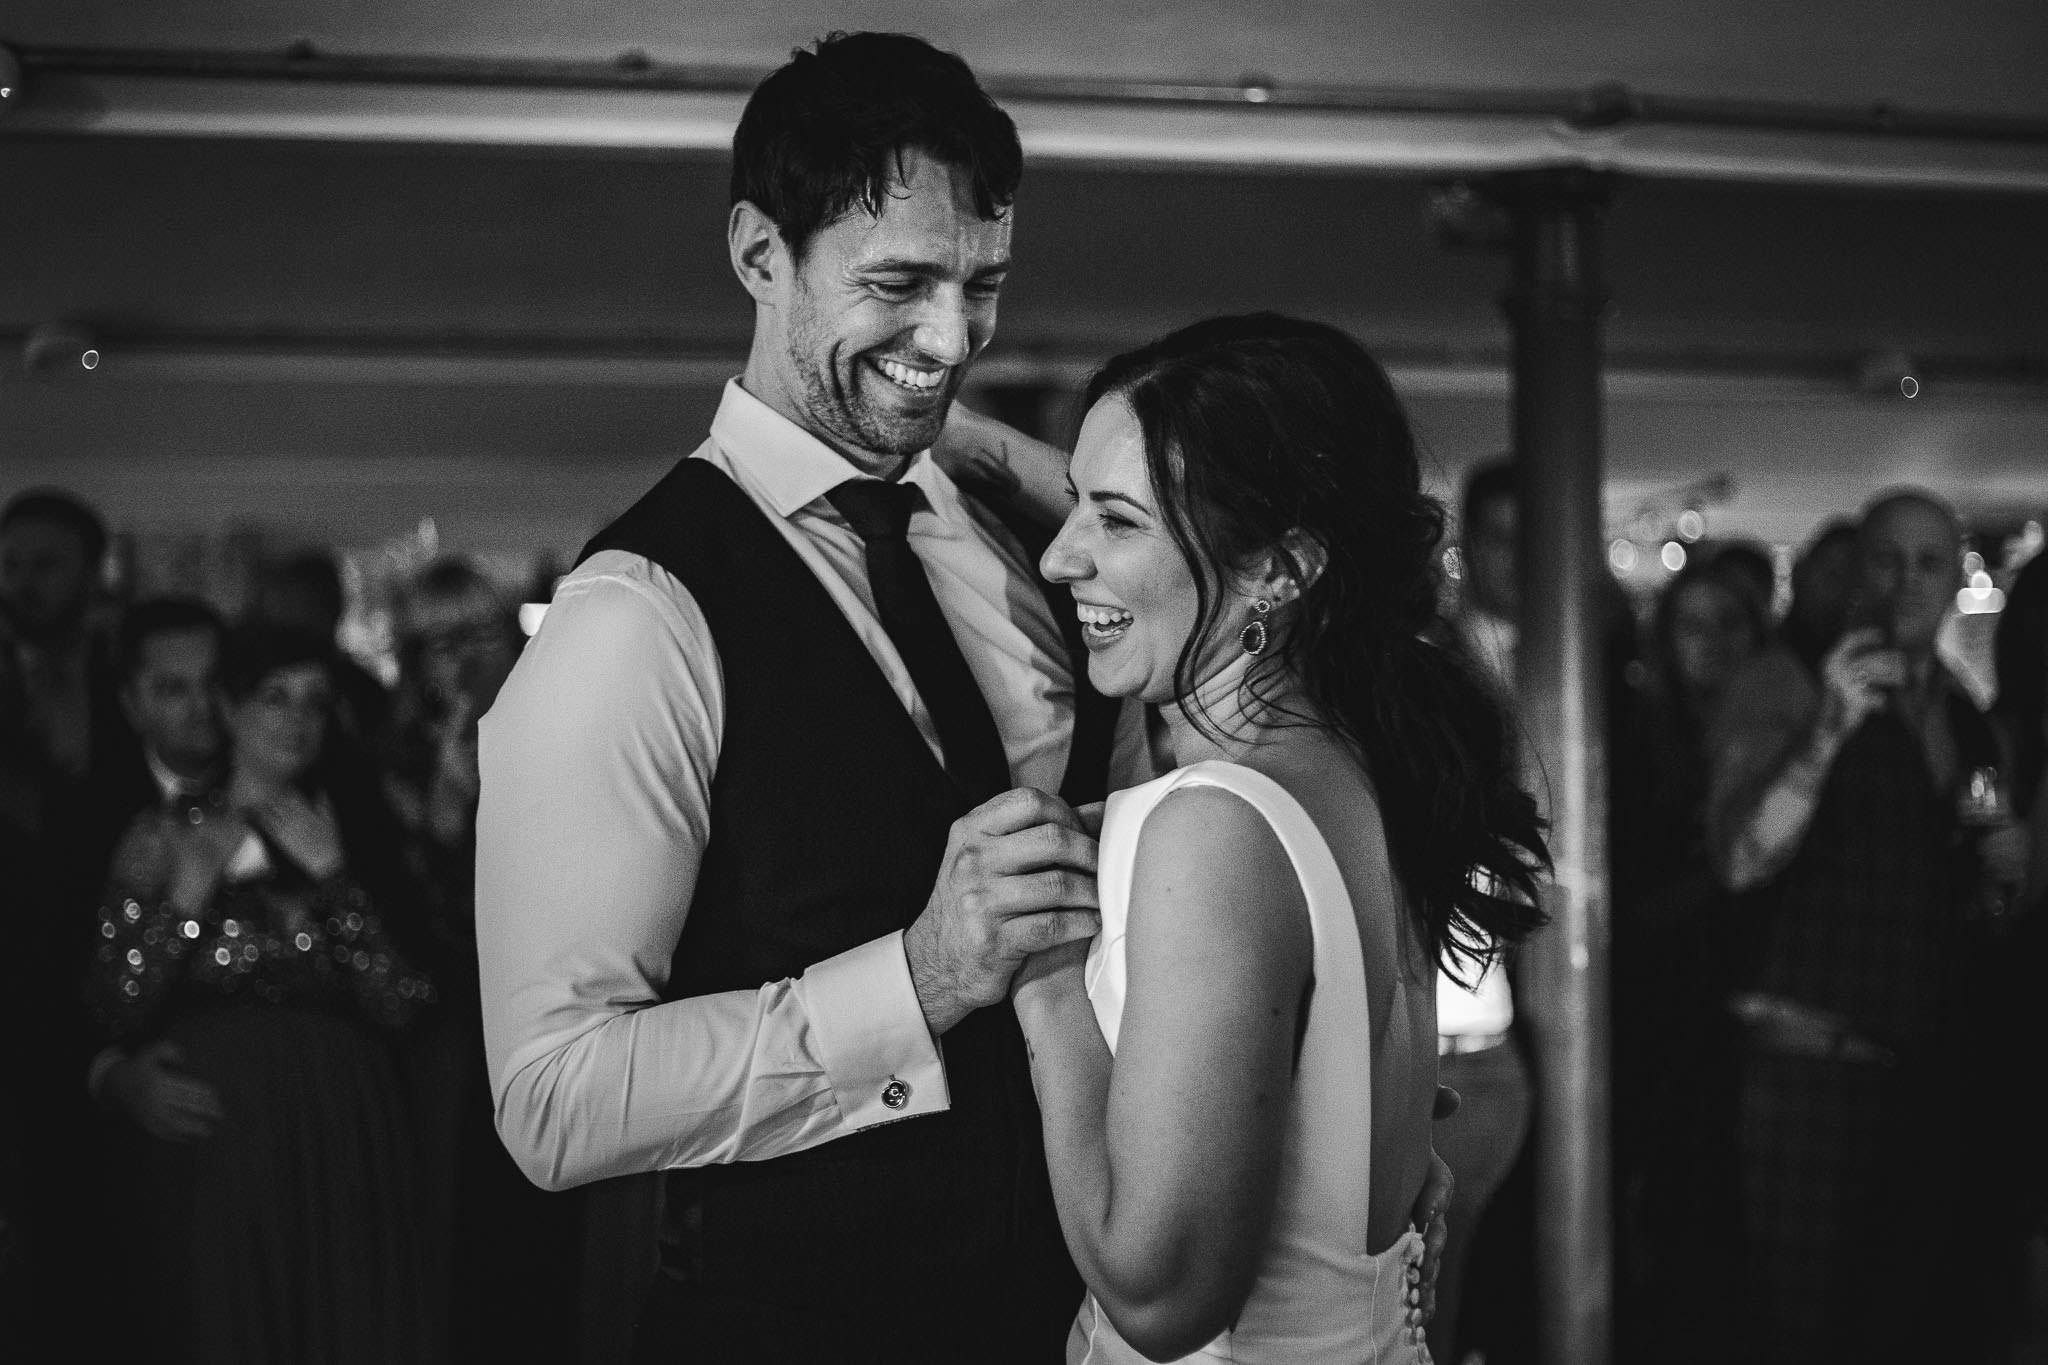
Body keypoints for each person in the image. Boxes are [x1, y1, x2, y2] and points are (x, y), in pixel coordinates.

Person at [476, 34, 1451, 1363]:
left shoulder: (1014, 532)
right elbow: (553, 1102)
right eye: (899, 283)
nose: (950, 339)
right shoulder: (636, 619)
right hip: (809, 1329)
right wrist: (922, 975)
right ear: (761, 256)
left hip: (1088, 1306)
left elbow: (1232, 564)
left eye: (981, 284)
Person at [1005, 314, 1548, 1363]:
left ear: (1279, 571)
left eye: (1115, 521)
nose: (1058, 553)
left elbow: (1160, 1302)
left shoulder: (1216, 825)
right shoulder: (1359, 774)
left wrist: (1045, 988)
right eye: (1075, 502)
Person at [1705, 489, 2027, 1363]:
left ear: (1956, 579)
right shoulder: (1787, 680)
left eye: (1930, 562)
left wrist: (2004, 879)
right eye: (1889, 558)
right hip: (1807, 1070)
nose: (1908, 582)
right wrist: (1826, 734)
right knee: (1792, 1332)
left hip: (1924, 1081)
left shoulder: (1962, 712)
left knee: (1904, 1329)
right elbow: (1738, 859)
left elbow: (1965, 916)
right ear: (1855, 569)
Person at [88, 622, 435, 1364]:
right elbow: (114, 1004)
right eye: (275, 696)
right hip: (221, 1149)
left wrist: (337, 877)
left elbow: (402, 1002)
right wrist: (187, 894)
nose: (297, 719)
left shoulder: (363, 831)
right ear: (231, 707)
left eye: (316, 700)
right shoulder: (158, 834)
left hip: (342, 1134)